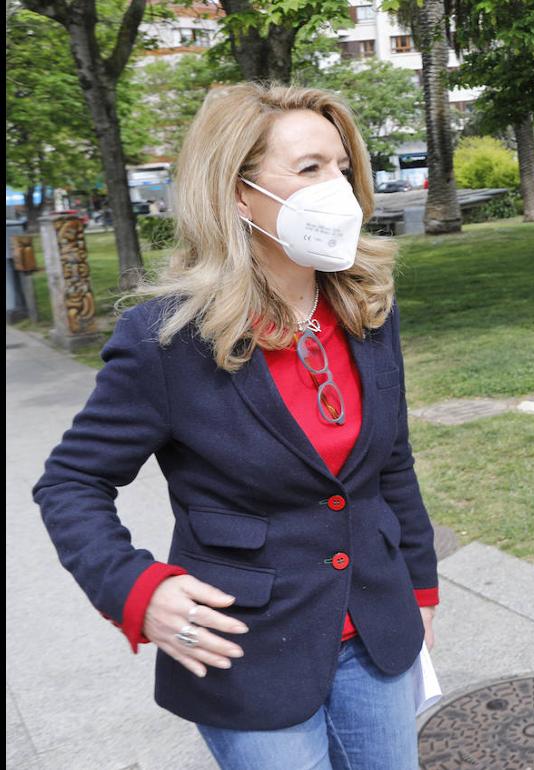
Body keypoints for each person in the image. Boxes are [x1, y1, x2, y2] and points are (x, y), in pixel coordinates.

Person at [33, 83, 439, 769]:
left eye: (342, 167)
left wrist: (421, 588)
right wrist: (138, 589)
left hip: (379, 631)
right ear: (238, 195)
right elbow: (71, 482)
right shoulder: (165, 339)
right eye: (309, 169)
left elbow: (391, 461)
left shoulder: (368, 308)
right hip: (248, 652)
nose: (338, 188)